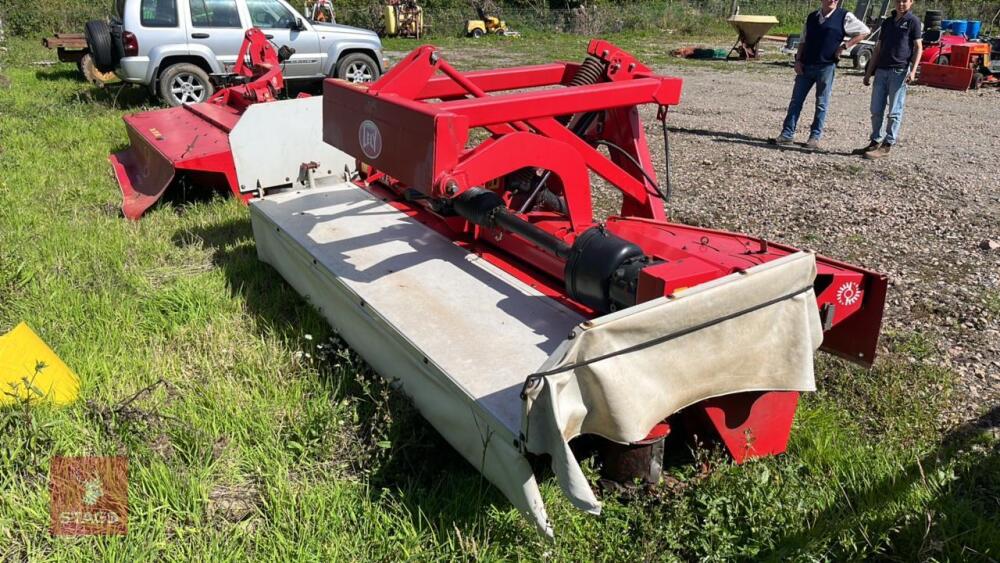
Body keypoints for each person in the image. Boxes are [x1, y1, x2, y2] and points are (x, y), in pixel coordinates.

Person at [770, 0, 870, 149]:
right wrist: (798, 60)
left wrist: (844, 47)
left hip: (826, 66)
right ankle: (787, 134)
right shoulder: (812, 17)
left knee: (821, 103)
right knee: (796, 101)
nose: (831, 0)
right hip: (806, 65)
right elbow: (803, 40)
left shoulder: (844, 16)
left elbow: (865, 31)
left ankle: (814, 137)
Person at [854, 0, 923, 159]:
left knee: (894, 111)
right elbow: (878, 48)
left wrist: (913, 71)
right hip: (881, 70)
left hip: (899, 71)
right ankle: (875, 141)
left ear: (911, 2)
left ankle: (887, 144)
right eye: (898, 1)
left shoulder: (913, 22)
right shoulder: (888, 22)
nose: (901, 4)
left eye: (905, 1)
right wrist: (868, 72)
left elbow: (919, 47)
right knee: (876, 109)